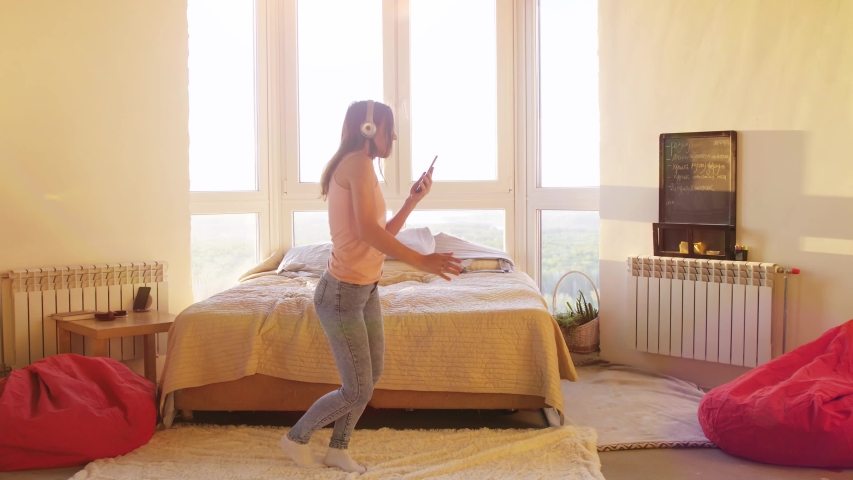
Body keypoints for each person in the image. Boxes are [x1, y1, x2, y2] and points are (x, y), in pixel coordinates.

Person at [279, 100, 463, 473]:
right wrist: (421, 260)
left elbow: (377, 235)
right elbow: (368, 233)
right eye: (388, 129)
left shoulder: (362, 167)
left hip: (365, 289)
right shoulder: (358, 165)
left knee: (369, 377)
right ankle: (296, 438)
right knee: (357, 388)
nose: (392, 137)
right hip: (341, 294)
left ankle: (338, 449)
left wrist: (411, 201)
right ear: (369, 129)